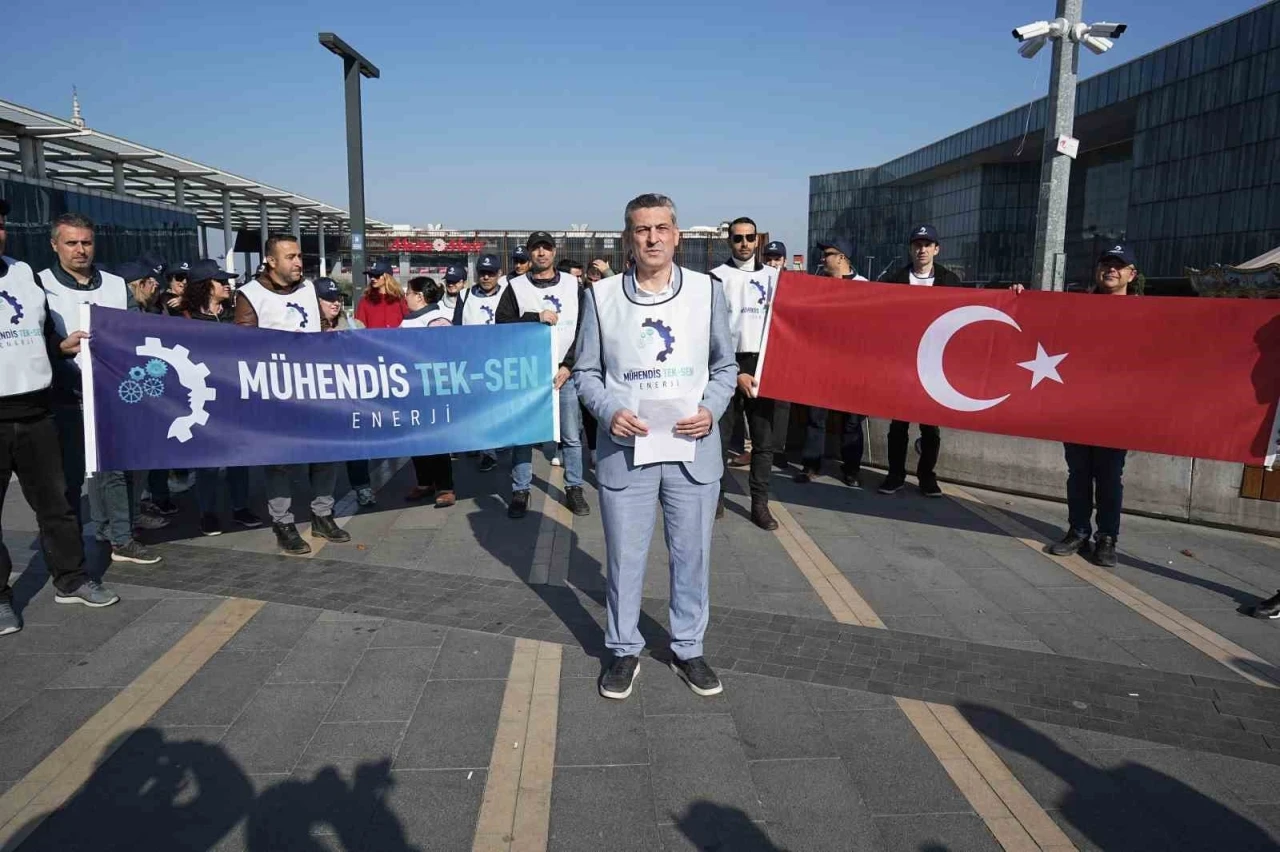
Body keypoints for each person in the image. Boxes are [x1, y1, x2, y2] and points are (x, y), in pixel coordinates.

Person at [574, 193, 737, 700]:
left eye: (661, 228)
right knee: (624, 557)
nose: (652, 238)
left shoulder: (707, 292)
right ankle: (623, 649)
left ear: (677, 235)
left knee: (692, 556)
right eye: (642, 229)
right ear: (628, 236)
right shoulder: (601, 296)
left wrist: (710, 409)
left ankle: (688, 647)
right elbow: (585, 372)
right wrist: (608, 411)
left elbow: (725, 367)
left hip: (692, 451)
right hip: (627, 451)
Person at [0, 200, 119, 635]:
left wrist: (59, 347)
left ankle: (71, 580)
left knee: (58, 507)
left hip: (36, 411)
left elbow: (40, 335)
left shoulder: (22, 274)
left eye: (0, 227)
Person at [38, 214, 163, 565]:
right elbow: (39, 339)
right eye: (71, 243)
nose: (80, 250)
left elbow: (130, 335)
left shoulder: (113, 284)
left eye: (86, 242)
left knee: (119, 468)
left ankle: (120, 536)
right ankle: (71, 543)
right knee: (71, 476)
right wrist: (59, 347)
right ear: (54, 245)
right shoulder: (40, 283)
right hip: (64, 395)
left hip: (113, 392)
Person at [235, 234, 351, 555]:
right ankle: (282, 522)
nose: (298, 262)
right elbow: (242, 346)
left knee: (327, 454)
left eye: (299, 256)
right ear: (271, 261)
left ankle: (322, 514)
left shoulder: (309, 289)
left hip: (314, 387)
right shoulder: (250, 294)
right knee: (280, 461)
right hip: (277, 392)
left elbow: (319, 329)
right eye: (290, 257)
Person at [1046, 244, 1140, 569]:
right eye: (1106, 264)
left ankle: (1107, 537)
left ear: (1132, 274)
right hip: (1078, 404)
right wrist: (1018, 296)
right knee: (1079, 472)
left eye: (1119, 265)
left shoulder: (1149, 313)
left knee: (1110, 475)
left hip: (1117, 410)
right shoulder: (1076, 307)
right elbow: (1041, 324)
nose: (1111, 270)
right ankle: (1078, 530)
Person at [496, 232, 588, 519]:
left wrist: (569, 365)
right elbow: (503, 324)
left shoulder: (574, 285)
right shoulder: (516, 286)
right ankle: (520, 489)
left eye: (546, 248)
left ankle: (574, 487)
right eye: (536, 249)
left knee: (571, 436)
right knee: (525, 435)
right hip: (529, 374)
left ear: (554, 252)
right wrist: (535, 317)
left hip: (565, 373)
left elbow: (585, 329)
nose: (541, 254)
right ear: (530, 253)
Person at [878, 225, 964, 498]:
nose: (922, 249)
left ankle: (927, 476)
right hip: (903, 364)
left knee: (930, 425)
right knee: (899, 424)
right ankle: (895, 475)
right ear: (910, 248)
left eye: (928, 245)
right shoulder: (895, 280)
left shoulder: (950, 281)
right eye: (917, 244)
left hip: (934, 365)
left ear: (937, 249)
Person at [178, 260, 262, 536]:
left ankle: (240, 507)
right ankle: (208, 513)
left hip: (235, 395)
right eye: (220, 281)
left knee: (239, 455)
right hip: (201, 396)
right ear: (204, 286)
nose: (228, 284)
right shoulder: (182, 318)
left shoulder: (235, 315)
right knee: (208, 460)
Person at [710, 217, 783, 530]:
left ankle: (760, 504)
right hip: (727, 363)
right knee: (719, 437)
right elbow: (709, 331)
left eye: (749, 238)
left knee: (764, 440)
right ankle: (716, 496)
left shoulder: (776, 277)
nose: (743, 243)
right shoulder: (715, 277)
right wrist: (734, 370)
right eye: (737, 238)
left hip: (765, 363)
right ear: (729, 241)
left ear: (758, 241)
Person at [793, 237, 868, 488]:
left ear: (842, 258)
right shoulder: (818, 286)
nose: (823, 259)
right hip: (821, 364)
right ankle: (811, 464)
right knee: (816, 417)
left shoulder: (864, 287)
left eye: (828, 255)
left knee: (852, 420)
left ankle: (852, 470)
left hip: (853, 366)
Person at [401, 276, 457, 507]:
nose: (405, 297)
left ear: (419, 297)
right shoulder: (409, 321)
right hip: (411, 389)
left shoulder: (438, 319)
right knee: (415, 439)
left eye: (408, 293)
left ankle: (445, 487)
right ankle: (424, 482)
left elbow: (444, 354)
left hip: (433, 391)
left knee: (437, 440)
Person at [454, 254, 507, 473]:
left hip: (503, 360)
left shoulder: (508, 294)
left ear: (499, 274)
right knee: (482, 408)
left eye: (491, 273)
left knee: (500, 407)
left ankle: (501, 440)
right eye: (482, 273)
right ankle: (488, 451)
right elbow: (457, 328)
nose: (486, 277)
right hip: (475, 362)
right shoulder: (465, 295)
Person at [354, 260, 407, 330]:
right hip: (373, 340)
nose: (372, 278)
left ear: (387, 277)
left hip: (396, 340)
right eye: (371, 275)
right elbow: (359, 327)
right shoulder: (365, 300)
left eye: (376, 275)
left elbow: (408, 322)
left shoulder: (399, 299)